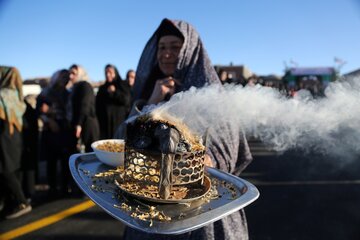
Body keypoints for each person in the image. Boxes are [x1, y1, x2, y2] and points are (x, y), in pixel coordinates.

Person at [118, 18, 252, 240]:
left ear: (190, 50)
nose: (166, 53)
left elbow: (224, 147)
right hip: (149, 209)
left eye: (174, 47)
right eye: (161, 47)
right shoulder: (150, 91)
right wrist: (151, 103)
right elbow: (120, 143)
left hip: (202, 215)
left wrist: (204, 159)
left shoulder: (211, 93)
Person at [0, 66, 32, 219]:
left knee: (5, 170)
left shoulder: (3, 95)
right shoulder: (17, 96)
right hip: (15, 138)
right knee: (12, 170)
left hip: (4, 137)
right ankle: (11, 202)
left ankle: (21, 202)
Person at [36, 69, 72, 197]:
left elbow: (69, 111)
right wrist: (49, 120)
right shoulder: (46, 92)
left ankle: (64, 187)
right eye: (63, 77)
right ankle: (52, 188)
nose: (65, 79)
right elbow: (39, 110)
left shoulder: (68, 93)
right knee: (51, 161)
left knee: (65, 161)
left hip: (64, 131)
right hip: (50, 131)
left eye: (67, 77)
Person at [68, 64, 99, 153]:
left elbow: (85, 105)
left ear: (80, 73)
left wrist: (79, 124)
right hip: (81, 123)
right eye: (70, 73)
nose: (70, 76)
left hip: (87, 124)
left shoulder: (85, 86)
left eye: (74, 73)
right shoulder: (76, 87)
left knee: (90, 154)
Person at [96, 64, 131, 139]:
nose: (108, 75)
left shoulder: (122, 85)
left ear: (115, 73)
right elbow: (97, 105)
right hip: (105, 126)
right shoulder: (102, 88)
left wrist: (115, 92)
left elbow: (126, 101)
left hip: (119, 123)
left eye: (110, 72)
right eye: (106, 73)